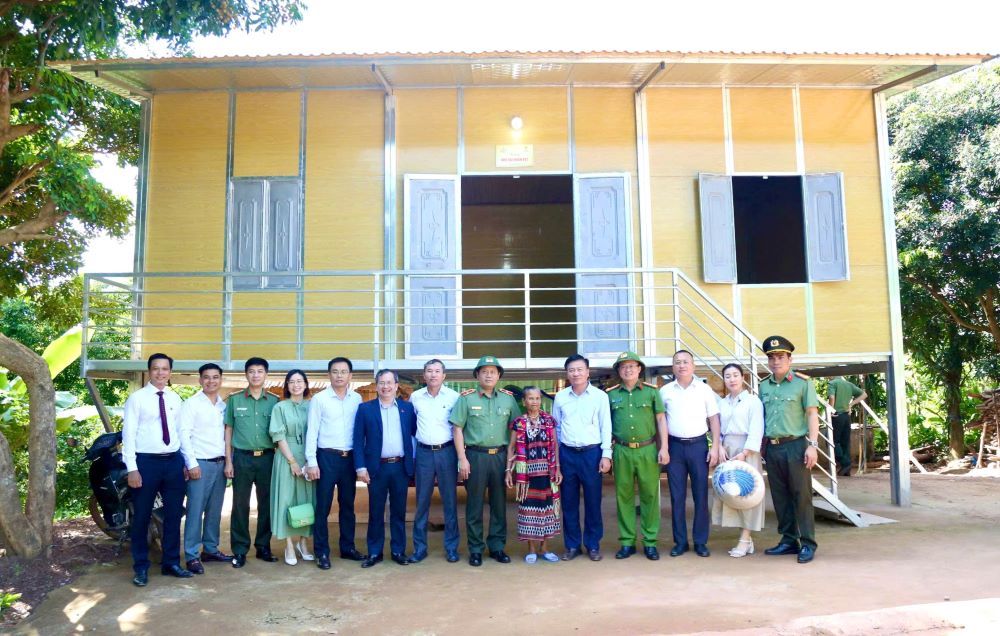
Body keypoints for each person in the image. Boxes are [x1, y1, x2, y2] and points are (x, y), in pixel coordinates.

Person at [122, 352, 197, 587]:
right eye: (156, 368)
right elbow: (128, 435)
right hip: (146, 463)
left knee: (173, 515)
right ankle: (141, 567)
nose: (160, 372)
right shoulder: (137, 399)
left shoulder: (175, 399)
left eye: (165, 369)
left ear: (170, 372)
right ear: (149, 371)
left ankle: (171, 563)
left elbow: (181, 434)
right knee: (141, 516)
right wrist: (132, 468)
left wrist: (187, 462)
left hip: (173, 462)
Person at [451, 355, 521, 567]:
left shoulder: (508, 399)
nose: (489, 375)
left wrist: (511, 463)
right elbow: (457, 428)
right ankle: (475, 549)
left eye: (493, 371)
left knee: (499, 505)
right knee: (474, 505)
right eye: (484, 371)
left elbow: (515, 430)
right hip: (475, 456)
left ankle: (497, 547)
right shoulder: (467, 398)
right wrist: (462, 458)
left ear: (499, 375)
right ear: (477, 375)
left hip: (500, 457)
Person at [759, 335, 820, 564]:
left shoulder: (802, 383)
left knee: (801, 497)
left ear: (790, 359)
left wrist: (812, 446)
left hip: (796, 446)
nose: (776, 361)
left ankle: (807, 543)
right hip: (773, 449)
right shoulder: (763, 385)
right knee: (780, 497)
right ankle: (788, 541)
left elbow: (812, 414)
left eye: (781, 357)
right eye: (772, 357)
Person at [606, 351, 669, 561]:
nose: (628, 369)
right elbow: (606, 426)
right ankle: (627, 542)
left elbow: (661, 420)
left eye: (632, 366)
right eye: (623, 367)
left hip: (647, 449)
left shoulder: (651, 392)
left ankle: (650, 542)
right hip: (622, 451)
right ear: (618, 371)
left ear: (639, 369)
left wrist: (664, 448)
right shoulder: (611, 394)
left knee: (650, 496)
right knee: (623, 496)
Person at [305, 357, 365, 570]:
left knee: (348, 506)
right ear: (329, 374)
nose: (339, 375)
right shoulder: (319, 399)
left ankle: (347, 547)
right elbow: (311, 432)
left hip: (348, 459)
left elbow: (359, 433)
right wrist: (311, 462)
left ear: (350, 375)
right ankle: (322, 551)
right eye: (335, 371)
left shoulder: (357, 399)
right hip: (326, 458)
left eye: (343, 372)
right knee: (323, 507)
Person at [660, 349, 721, 558]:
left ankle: (701, 542)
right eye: (677, 362)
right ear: (673, 367)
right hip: (675, 448)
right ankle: (680, 542)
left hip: (698, 447)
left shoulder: (704, 390)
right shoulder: (665, 391)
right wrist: (665, 448)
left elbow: (714, 419)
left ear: (693, 366)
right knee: (677, 497)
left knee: (701, 496)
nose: (682, 365)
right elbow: (660, 422)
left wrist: (715, 447)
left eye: (686, 362)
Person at [551, 354, 611, 562]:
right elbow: (556, 430)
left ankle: (593, 544)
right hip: (567, 454)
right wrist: (557, 460)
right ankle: (572, 545)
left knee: (593, 501)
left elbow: (606, 427)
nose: (575, 373)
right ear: (567, 374)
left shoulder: (600, 397)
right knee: (568, 502)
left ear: (587, 372)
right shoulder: (560, 398)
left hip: (592, 454)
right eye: (571, 370)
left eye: (579, 369)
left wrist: (606, 455)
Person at [354, 369, 416, 568]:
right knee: (375, 512)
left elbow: (414, 436)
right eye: (382, 383)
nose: (386, 386)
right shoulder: (365, 409)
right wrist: (360, 467)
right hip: (376, 468)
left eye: (390, 383)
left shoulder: (407, 409)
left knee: (398, 512)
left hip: (400, 467)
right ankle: (374, 552)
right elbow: (357, 440)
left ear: (397, 386)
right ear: (377, 385)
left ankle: (398, 551)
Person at [225, 356, 280, 568]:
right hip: (242, 458)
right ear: (246, 374)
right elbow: (228, 430)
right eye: (251, 371)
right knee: (240, 505)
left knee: (266, 504)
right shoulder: (235, 400)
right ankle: (239, 550)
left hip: (267, 458)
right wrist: (228, 461)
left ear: (266, 375)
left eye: (260, 371)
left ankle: (263, 546)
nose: (255, 375)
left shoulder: (274, 402)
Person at [179, 362, 231, 575]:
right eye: (207, 377)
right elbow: (184, 434)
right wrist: (191, 463)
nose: (211, 381)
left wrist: (229, 461)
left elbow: (227, 437)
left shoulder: (223, 406)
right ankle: (192, 555)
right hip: (199, 464)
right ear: (200, 380)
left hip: (220, 464)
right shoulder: (191, 404)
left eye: (215, 377)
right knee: (195, 511)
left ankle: (210, 549)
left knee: (214, 510)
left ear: (221, 380)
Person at [409, 359, 461, 563]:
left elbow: (458, 427)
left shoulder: (454, 397)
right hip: (423, 454)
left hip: (447, 452)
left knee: (450, 501)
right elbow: (412, 427)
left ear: (444, 376)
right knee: (422, 502)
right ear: (424, 375)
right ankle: (419, 548)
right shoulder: (415, 397)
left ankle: (451, 548)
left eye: (437, 371)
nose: (433, 375)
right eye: (429, 371)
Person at [711, 363, 765, 558]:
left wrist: (745, 452)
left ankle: (744, 539)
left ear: (743, 378)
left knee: (748, 493)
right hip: (727, 449)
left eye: (735, 375)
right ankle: (746, 539)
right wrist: (719, 446)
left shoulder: (753, 401)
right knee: (731, 494)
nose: (732, 379)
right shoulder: (722, 403)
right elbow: (716, 427)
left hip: (747, 450)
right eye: (727, 376)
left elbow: (757, 428)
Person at [505, 386, 562, 563]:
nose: (534, 402)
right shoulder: (519, 422)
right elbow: (511, 447)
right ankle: (530, 549)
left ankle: (544, 548)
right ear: (524, 401)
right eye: (530, 398)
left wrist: (558, 468)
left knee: (547, 511)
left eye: (537, 398)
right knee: (529, 512)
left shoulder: (549, 421)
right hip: (526, 477)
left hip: (547, 473)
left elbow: (554, 446)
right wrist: (509, 470)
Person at [269, 370, 316, 566]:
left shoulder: (313, 405)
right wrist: (292, 461)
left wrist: (309, 460)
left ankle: (303, 543)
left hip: (309, 457)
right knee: (286, 500)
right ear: (286, 386)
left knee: (308, 499)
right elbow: (278, 435)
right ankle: (289, 544)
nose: (296, 385)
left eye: (299, 381)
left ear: (306, 384)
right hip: (286, 456)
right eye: (291, 382)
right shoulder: (280, 407)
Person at [827, 376, 867, 476]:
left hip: (837, 415)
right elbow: (864, 395)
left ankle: (845, 463)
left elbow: (831, 397)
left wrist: (831, 410)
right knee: (845, 442)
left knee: (831, 441)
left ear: (831, 375)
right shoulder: (849, 384)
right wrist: (851, 404)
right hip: (846, 416)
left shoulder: (832, 383)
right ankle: (846, 469)